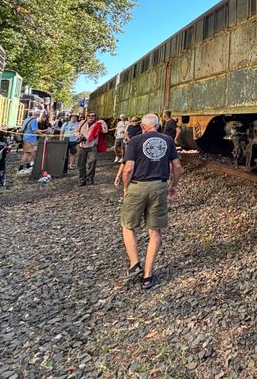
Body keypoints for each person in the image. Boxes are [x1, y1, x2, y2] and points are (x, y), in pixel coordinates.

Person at [120, 113, 183, 289]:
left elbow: (128, 169)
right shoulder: (168, 140)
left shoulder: (135, 141)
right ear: (157, 125)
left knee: (128, 225)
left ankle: (135, 264)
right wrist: (173, 186)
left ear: (142, 126)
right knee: (155, 232)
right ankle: (147, 276)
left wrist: (125, 188)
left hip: (137, 186)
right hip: (159, 187)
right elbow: (177, 168)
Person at [74, 112, 106, 185]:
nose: (91, 117)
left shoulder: (98, 124)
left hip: (92, 146)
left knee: (92, 163)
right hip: (82, 146)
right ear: (86, 116)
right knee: (80, 164)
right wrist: (80, 136)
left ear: (95, 117)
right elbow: (76, 131)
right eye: (89, 116)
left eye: (93, 116)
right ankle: (81, 180)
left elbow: (105, 131)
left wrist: (103, 122)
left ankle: (90, 179)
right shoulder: (82, 123)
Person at [18, 109, 39, 173]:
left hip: (25, 138)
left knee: (29, 152)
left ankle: (28, 165)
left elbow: (22, 128)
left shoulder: (27, 119)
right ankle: (22, 167)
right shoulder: (34, 121)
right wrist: (41, 132)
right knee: (29, 153)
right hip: (31, 139)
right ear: (37, 115)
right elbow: (34, 130)